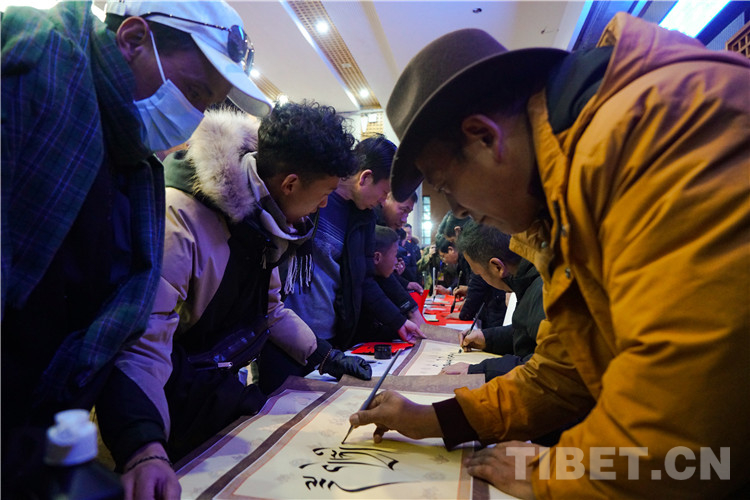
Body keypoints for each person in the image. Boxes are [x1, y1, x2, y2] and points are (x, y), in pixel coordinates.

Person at [350, 15, 749, 498]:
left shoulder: (653, 136)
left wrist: (551, 475)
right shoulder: (566, 194)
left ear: (484, 137)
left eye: (448, 187)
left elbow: (687, 417)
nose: (460, 211)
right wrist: (434, 419)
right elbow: (566, 368)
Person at [1, 1, 269, 498]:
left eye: (205, 103)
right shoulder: (40, 57)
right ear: (133, 40)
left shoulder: (136, 166)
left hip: (35, 440)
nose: (192, 117)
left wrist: (142, 444)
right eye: (194, 92)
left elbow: (115, 328)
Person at [96, 102, 372, 480]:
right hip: (157, 407)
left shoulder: (265, 218)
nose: (324, 204)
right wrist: (143, 446)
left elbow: (270, 311)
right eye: (323, 193)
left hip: (209, 389)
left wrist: (326, 356)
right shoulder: (181, 218)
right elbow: (141, 343)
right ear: (290, 184)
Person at [283, 135, 424, 352]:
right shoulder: (313, 195)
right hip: (285, 331)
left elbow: (365, 279)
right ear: (365, 177)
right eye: (384, 193)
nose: (383, 201)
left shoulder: (364, 218)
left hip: (329, 335)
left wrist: (399, 321)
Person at [441, 221, 542, 382]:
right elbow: (526, 332)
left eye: (479, 274)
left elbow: (544, 367)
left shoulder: (542, 290)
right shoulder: (528, 280)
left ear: (497, 267)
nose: (481, 279)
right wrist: (487, 338)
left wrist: (478, 370)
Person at [355, 226, 412, 343]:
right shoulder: (367, 290)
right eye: (395, 255)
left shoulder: (381, 279)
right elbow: (370, 331)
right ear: (377, 257)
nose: (396, 262)